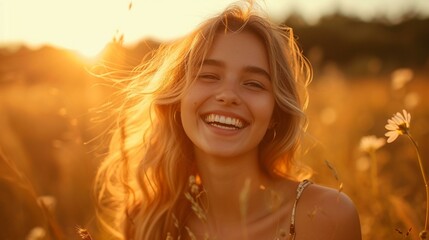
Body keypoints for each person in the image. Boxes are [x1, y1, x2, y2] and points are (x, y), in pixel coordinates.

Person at [94, 1, 362, 240]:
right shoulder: (148, 220)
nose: (228, 96)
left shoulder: (328, 216)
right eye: (209, 75)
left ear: (274, 114)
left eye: (254, 83)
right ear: (178, 99)